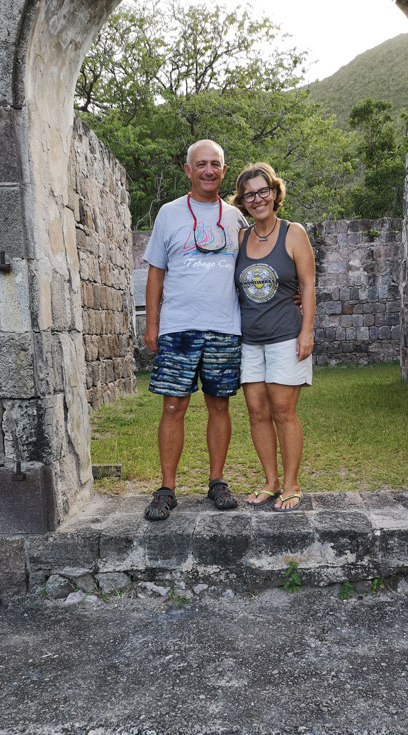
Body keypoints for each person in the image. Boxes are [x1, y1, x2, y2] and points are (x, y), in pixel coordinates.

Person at [142, 139, 248, 520]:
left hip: (225, 326)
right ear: (188, 170)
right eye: (200, 164)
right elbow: (156, 273)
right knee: (173, 406)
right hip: (179, 328)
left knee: (219, 405)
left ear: (223, 169)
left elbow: (255, 268)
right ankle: (167, 488)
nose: (208, 170)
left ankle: (217, 481)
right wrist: (151, 322)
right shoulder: (169, 215)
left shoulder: (237, 217)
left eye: (215, 164)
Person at [231, 163, 315, 511]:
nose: (257, 198)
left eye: (263, 190)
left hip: (285, 335)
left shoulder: (293, 233)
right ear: (243, 201)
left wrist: (307, 331)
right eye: (249, 194)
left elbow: (308, 284)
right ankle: (270, 481)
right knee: (256, 411)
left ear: (275, 193)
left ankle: (292, 484)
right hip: (249, 339)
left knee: (283, 410)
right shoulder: (240, 238)